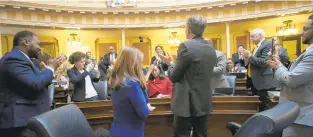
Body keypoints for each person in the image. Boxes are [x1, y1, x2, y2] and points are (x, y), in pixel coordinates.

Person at [159, 15, 216, 137]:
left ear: (188, 29)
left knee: (181, 134)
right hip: (204, 100)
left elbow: (174, 76)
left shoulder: (186, 46)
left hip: (186, 102)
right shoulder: (210, 48)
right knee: (201, 134)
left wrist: (169, 64)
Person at [0, 31, 65, 137]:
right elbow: (35, 84)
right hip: (20, 121)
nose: (40, 47)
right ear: (26, 42)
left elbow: (34, 82)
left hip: (28, 118)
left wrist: (50, 72)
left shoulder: (25, 59)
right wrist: (50, 68)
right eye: (37, 43)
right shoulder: (13, 58)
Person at [267, 14, 313, 137]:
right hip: (299, 113)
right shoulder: (308, 51)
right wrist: (279, 64)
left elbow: (292, 79)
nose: (301, 32)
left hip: (304, 115)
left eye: (305, 29)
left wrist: (278, 66)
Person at [108, 46, 154, 137]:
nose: (141, 65)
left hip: (116, 130)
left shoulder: (116, 80)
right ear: (133, 63)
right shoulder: (132, 84)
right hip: (131, 132)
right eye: (140, 62)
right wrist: (148, 107)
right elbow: (143, 112)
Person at [241, 28, 278, 111]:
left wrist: (250, 56)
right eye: (250, 37)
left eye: (252, 37)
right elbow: (253, 62)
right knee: (258, 105)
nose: (250, 39)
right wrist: (246, 59)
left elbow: (264, 63)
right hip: (255, 81)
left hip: (264, 82)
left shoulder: (267, 45)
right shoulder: (256, 47)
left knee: (265, 106)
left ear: (261, 35)